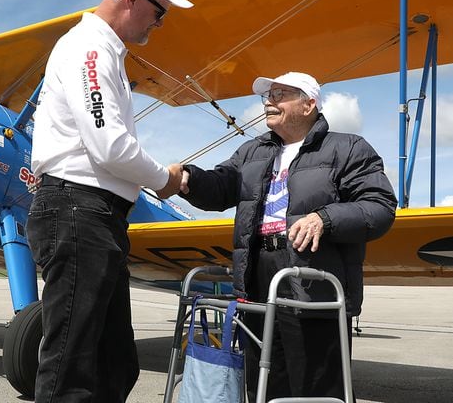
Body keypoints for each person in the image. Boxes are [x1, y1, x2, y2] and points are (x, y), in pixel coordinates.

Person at [170, 71, 397, 401]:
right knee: (262, 379)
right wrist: (188, 178)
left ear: (308, 105)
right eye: (268, 96)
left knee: (312, 384)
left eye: (280, 94)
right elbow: (220, 187)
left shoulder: (347, 148)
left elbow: (379, 207)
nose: (269, 102)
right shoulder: (251, 152)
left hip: (312, 278)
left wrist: (325, 218)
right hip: (257, 275)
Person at [27, 0, 192, 402]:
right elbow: (108, 145)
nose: (160, 23)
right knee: (71, 363)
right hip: (79, 210)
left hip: (96, 215)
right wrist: (164, 178)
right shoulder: (90, 48)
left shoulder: (103, 51)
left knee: (114, 363)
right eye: (160, 12)